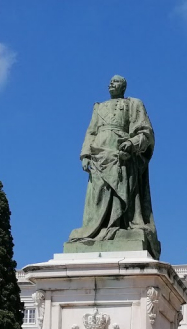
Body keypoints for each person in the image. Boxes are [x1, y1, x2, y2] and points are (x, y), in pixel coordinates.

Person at [68, 75, 161, 258]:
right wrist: (85, 154)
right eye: (110, 81)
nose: (111, 83)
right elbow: (91, 131)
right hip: (98, 155)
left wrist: (133, 143)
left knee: (122, 193)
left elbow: (145, 131)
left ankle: (119, 227)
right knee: (98, 193)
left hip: (121, 155)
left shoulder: (133, 104)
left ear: (124, 87)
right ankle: (96, 229)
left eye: (116, 81)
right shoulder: (99, 107)